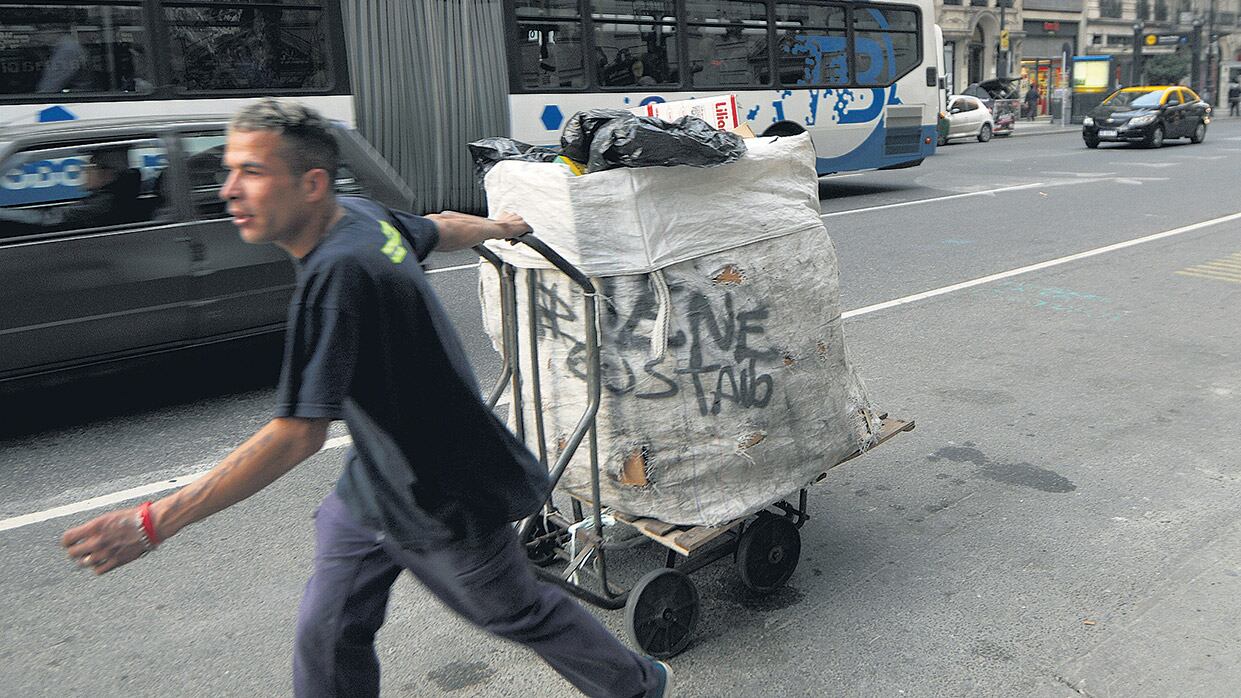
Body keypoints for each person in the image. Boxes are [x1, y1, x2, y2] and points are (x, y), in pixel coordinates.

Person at [60, 99, 672, 698]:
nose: (228, 189)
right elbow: (438, 229)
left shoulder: (337, 276)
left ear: (311, 184)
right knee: (328, 631)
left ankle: (641, 685)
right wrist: (502, 228)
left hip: (445, 490)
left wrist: (152, 522)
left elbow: (295, 435)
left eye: (252, 171)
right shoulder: (358, 215)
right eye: (228, 170)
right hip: (376, 481)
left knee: (518, 612)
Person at [0, 147, 142, 233]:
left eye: (90, 166)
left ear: (108, 174)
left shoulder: (102, 204)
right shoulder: (110, 198)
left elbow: (46, 219)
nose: (84, 170)